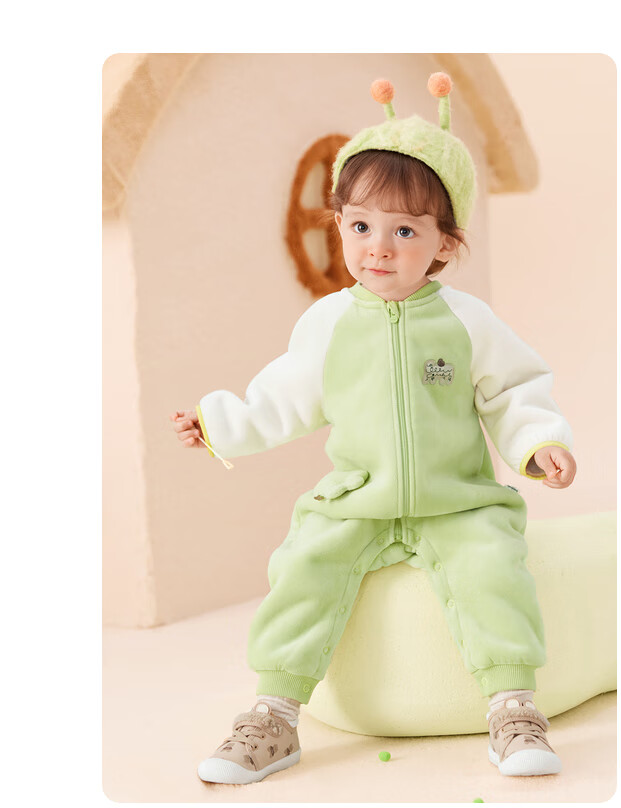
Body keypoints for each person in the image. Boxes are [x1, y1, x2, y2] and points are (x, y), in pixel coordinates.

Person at [171, 73, 577, 785]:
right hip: (355, 497)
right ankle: (273, 716)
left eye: (404, 231)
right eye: (361, 227)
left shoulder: (467, 321)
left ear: (445, 244)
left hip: (458, 499)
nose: (378, 249)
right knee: (302, 568)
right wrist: (219, 425)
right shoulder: (329, 323)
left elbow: (512, 389)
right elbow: (284, 395)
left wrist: (539, 442)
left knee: (493, 569)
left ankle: (513, 708)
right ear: (340, 226)